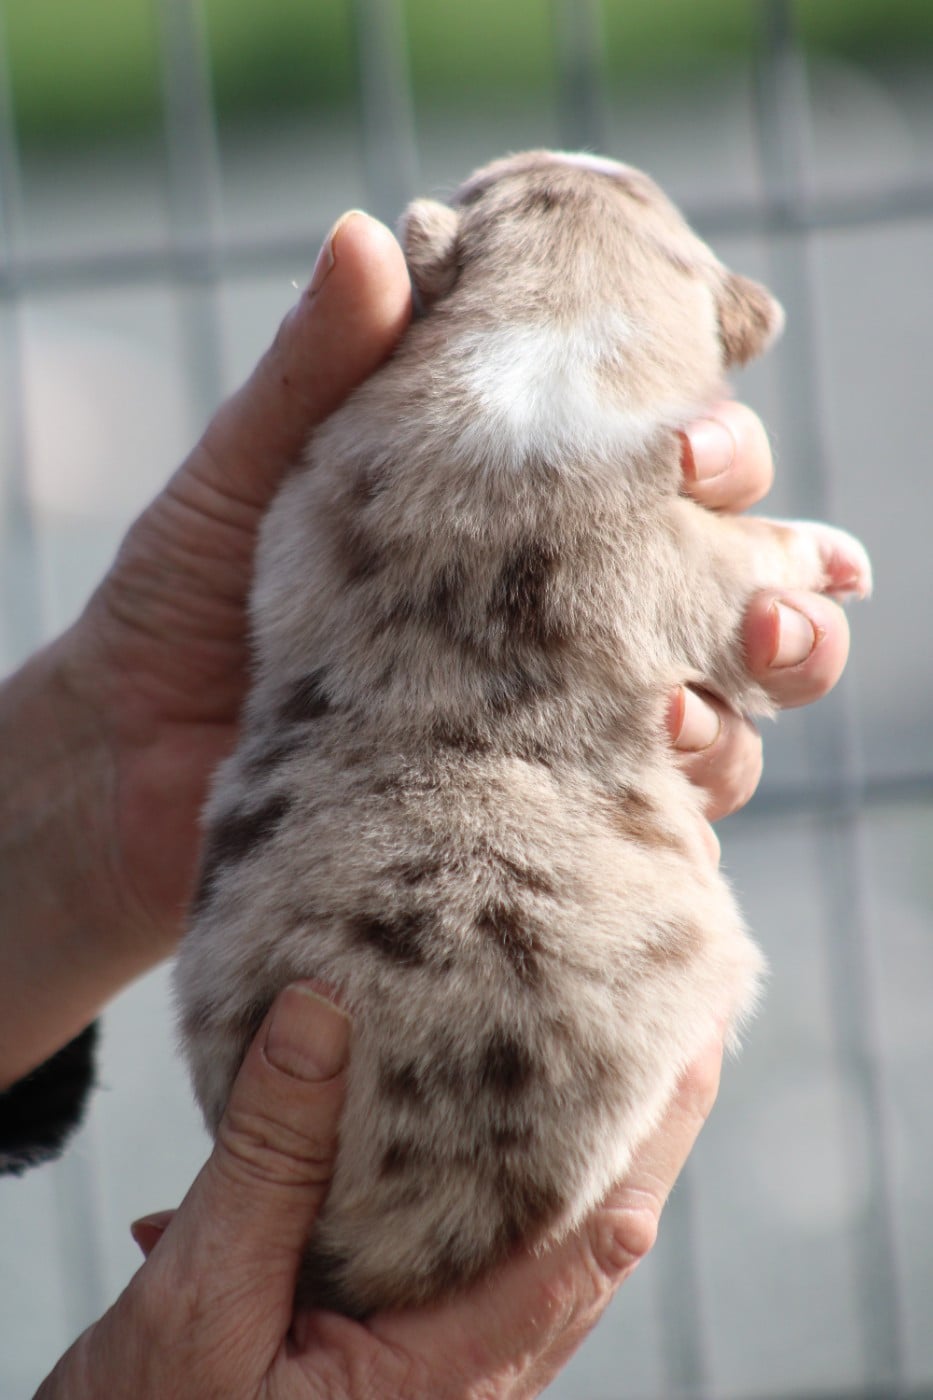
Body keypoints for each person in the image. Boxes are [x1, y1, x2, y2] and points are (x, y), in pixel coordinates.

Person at [0, 212, 852, 1398]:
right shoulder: (648, 512)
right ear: (716, 317)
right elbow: (787, 586)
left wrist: (90, 787)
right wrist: (779, 561)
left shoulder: (345, 460)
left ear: (438, 264)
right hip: (533, 1069)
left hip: (291, 951)